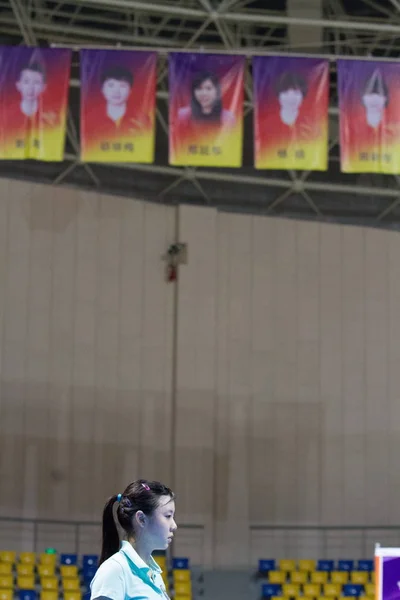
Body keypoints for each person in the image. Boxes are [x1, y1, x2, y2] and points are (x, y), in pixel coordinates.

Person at [90, 479, 177, 600]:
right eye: (168, 516)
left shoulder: (155, 575)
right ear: (141, 519)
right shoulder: (115, 571)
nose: (174, 525)